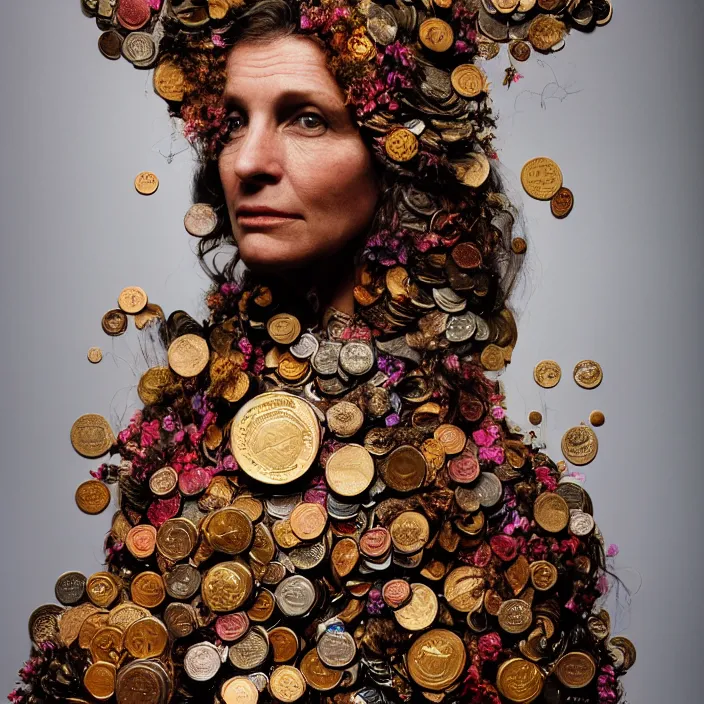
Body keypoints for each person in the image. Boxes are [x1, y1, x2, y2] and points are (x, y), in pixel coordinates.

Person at [10, 2, 633, 703]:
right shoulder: (172, 452)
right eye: (235, 120)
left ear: (398, 152)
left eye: (307, 118)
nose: (247, 161)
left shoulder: (505, 509)